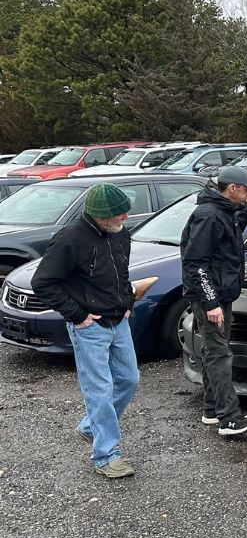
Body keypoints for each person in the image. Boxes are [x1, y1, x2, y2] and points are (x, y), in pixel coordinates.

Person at [31, 183, 140, 479]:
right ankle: (106, 455)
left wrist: (128, 301)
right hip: (89, 327)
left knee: (129, 379)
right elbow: (43, 282)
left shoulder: (120, 234)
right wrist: (77, 315)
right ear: (100, 215)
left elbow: (123, 271)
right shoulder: (69, 239)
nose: (126, 217)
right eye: (119, 213)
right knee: (100, 390)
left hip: (119, 321)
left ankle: (91, 426)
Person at [181, 165, 247, 437]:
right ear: (233, 188)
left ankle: (212, 409)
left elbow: (231, 232)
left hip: (220, 295)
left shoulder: (223, 211)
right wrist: (211, 302)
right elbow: (195, 264)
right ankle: (230, 419)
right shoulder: (208, 215)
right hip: (209, 298)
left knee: (214, 350)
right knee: (219, 353)